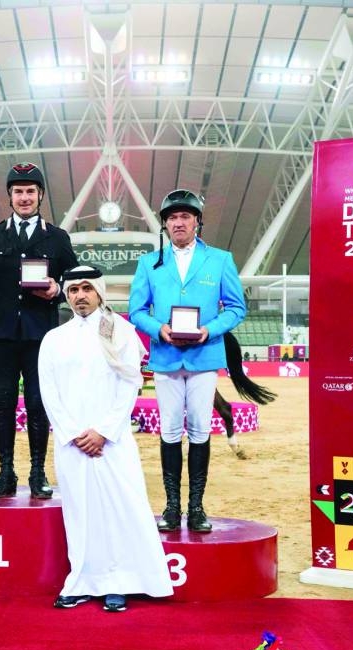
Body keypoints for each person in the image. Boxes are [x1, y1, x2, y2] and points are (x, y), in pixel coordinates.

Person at [39, 266, 174, 612]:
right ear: (66, 296)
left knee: (120, 509)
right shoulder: (53, 339)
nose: (80, 295)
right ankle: (82, 580)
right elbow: (48, 393)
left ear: (99, 292)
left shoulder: (123, 332)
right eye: (73, 290)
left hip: (112, 441)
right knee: (80, 512)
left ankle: (120, 582)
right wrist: (72, 433)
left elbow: (131, 385)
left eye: (86, 289)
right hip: (72, 444)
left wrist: (103, 431)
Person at [128, 189, 246, 533]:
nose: (179, 223)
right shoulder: (148, 263)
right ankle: (171, 506)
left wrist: (209, 330)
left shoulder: (220, 260)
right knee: (169, 430)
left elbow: (237, 307)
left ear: (197, 221)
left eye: (185, 217)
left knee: (198, 428)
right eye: (172, 218)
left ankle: (196, 507)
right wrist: (158, 328)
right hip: (165, 356)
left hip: (203, 355)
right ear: (165, 225)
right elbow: (137, 310)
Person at [0, 162, 78, 499]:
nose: (24, 197)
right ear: (9, 197)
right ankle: (6, 471)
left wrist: (59, 289)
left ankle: (38, 472)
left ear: (40, 195)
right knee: (4, 403)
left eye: (29, 191)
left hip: (40, 335)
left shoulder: (57, 238)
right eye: (18, 192)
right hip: (0, 335)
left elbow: (76, 275)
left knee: (38, 404)